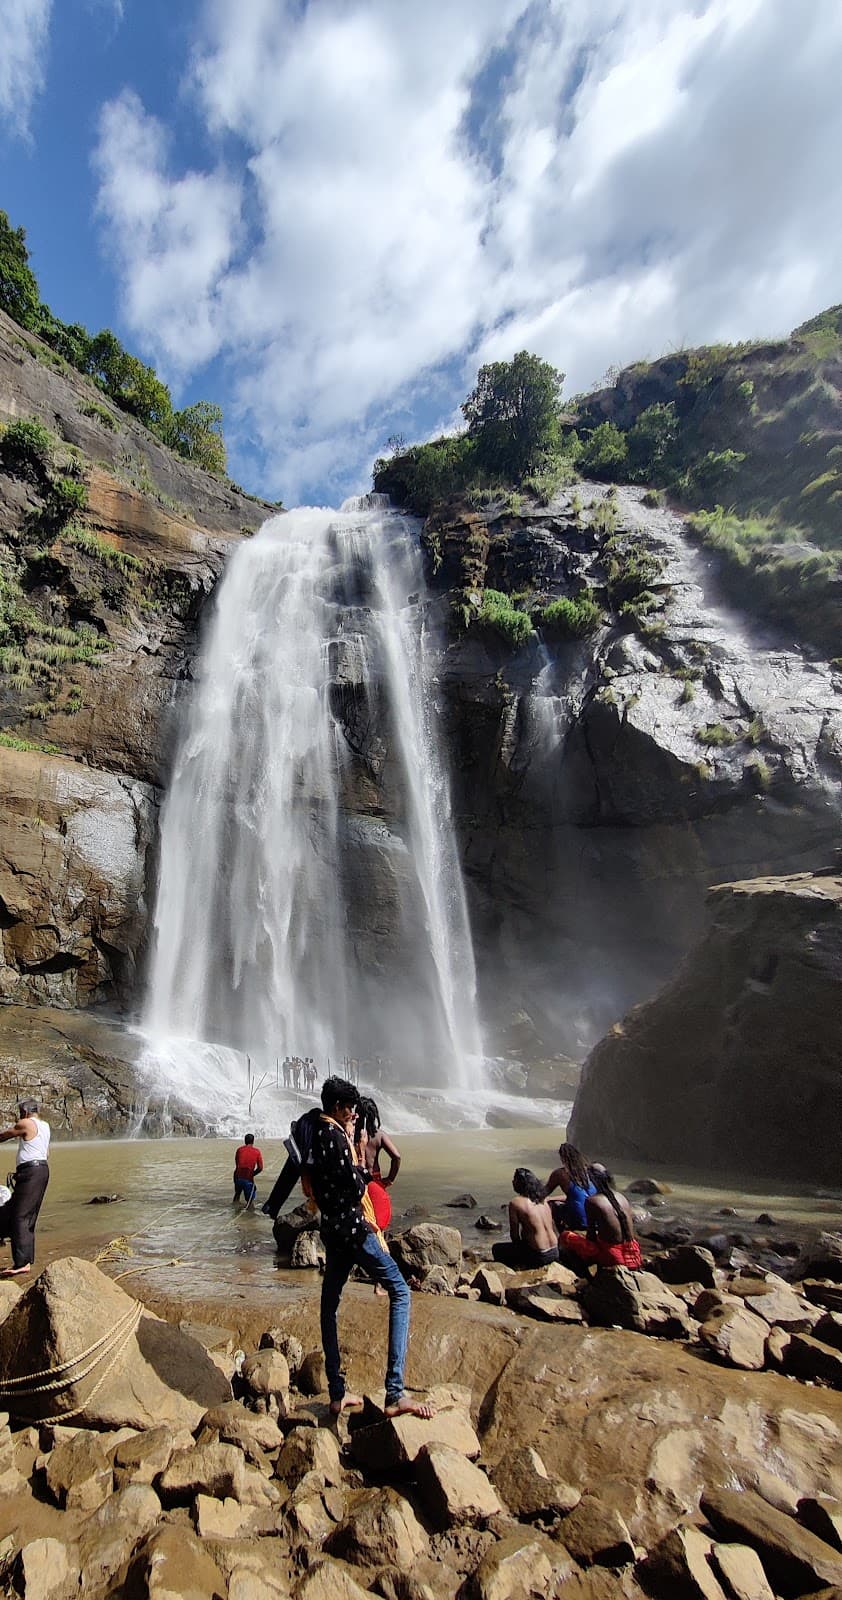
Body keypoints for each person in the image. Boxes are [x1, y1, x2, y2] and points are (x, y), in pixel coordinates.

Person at [312, 1075, 434, 1419]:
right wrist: (359, 1163)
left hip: (332, 1233)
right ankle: (395, 1392)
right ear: (338, 1108)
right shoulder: (336, 1136)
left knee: (329, 1306)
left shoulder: (316, 1134)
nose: (354, 1114)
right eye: (350, 1109)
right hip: (354, 1230)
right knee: (400, 1290)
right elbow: (353, 1188)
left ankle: (337, 1393)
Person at [0, 1099, 51, 1277]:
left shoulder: (26, 1123)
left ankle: (22, 1263)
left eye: (20, 1113)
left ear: (26, 1112)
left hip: (31, 1172)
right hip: (41, 1170)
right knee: (26, 1216)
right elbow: (46, 1151)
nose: (19, 1117)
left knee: (20, 1217)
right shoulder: (45, 1126)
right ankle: (26, 1260)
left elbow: (4, 1135)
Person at [557, 1167, 643, 1270]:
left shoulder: (592, 1201)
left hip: (612, 1257)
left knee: (565, 1236)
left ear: (592, 1181)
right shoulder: (622, 1197)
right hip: (633, 1253)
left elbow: (591, 1236)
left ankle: (581, 1272)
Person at [491, 1168, 559, 1269]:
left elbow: (514, 1236)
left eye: (515, 1179)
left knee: (496, 1249)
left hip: (540, 1255)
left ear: (520, 1183)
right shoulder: (542, 1200)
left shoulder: (515, 1203)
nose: (512, 1182)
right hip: (555, 1251)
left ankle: (520, 1266)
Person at [354, 1096, 401, 1233]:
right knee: (378, 1217)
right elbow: (396, 1156)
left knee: (362, 1217)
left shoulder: (351, 1134)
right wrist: (390, 1179)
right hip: (375, 1179)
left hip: (357, 1179)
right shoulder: (379, 1135)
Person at [545, 1142, 596, 1232]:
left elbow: (544, 1192)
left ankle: (561, 1235)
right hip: (596, 1220)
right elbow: (580, 1196)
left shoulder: (560, 1174)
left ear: (562, 1158)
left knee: (553, 1205)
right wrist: (551, 1198)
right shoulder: (590, 1171)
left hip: (580, 1222)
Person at [233, 1133, 263, 1206]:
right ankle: (249, 1216)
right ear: (253, 1141)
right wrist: (252, 1174)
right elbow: (260, 1168)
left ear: (245, 1141)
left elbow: (237, 1164)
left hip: (237, 1177)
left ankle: (234, 1210)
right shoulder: (257, 1151)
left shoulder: (239, 1150)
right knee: (250, 1202)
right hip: (248, 1178)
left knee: (237, 1194)